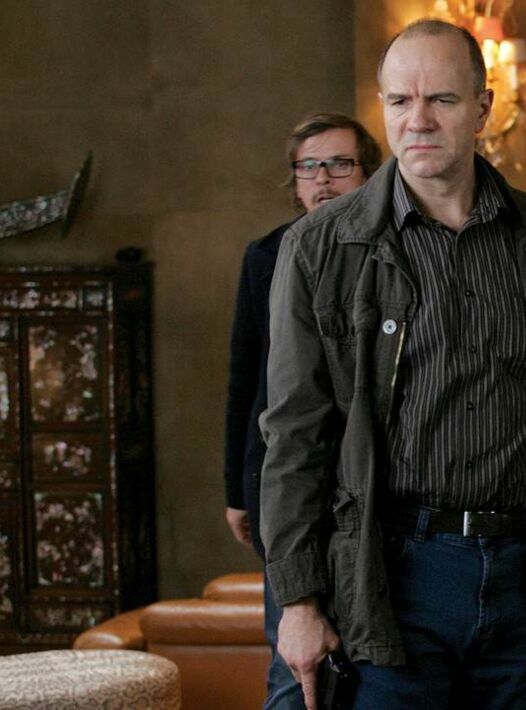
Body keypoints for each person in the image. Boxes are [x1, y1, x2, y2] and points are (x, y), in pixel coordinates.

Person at [259, 18, 526, 710]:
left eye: (442, 100)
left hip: (523, 573)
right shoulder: (319, 248)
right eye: (400, 101)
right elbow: (294, 436)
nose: (419, 120)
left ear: (483, 109)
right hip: (393, 574)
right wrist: (299, 601)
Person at [223, 111, 380, 710]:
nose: (323, 179)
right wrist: (238, 489)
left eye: (339, 164)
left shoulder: (392, 249)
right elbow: (247, 381)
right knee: (294, 665)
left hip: (368, 480)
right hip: (285, 481)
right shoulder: (265, 256)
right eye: (309, 167)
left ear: (368, 173)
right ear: (293, 180)